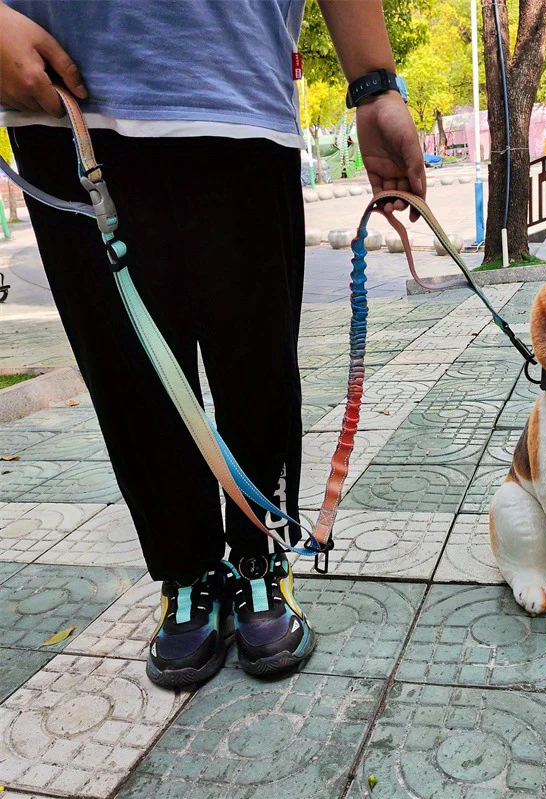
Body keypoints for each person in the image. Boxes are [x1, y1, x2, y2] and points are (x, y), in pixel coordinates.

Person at [0, 0, 425, 687]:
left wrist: (374, 83)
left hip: (238, 99)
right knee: (130, 379)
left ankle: (261, 561)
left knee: (257, 369)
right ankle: (188, 573)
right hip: (58, 101)